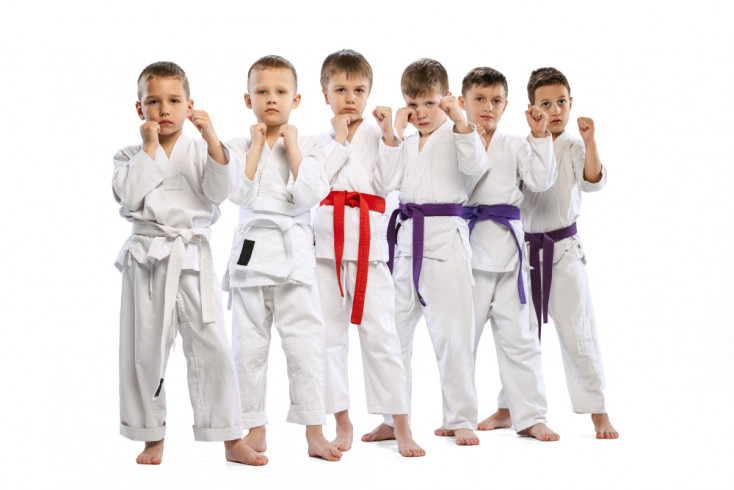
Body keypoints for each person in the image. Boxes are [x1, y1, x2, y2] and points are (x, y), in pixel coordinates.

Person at [113, 61, 267, 466]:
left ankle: (230, 437)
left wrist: (212, 136)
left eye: (174, 101)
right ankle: (151, 435)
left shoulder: (202, 149)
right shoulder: (129, 153)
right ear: (139, 108)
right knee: (145, 349)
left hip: (193, 258)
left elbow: (223, 191)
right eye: (153, 102)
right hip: (146, 261)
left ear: (189, 104)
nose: (164, 110)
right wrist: (148, 149)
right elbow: (128, 197)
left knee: (213, 348)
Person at [363, 58, 488, 446]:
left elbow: (476, 166)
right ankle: (391, 417)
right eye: (412, 104)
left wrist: (461, 120)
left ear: (446, 101)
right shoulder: (405, 141)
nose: (420, 113)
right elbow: (384, 184)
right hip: (403, 245)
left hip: (444, 245)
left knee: (452, 336)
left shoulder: (459, 133)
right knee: (392, 336)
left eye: (429, 104)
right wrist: (391, 131)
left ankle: (461, 417)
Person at [223, 55, 342, 461]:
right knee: (247, 346)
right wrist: (258, 145)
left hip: (293, 256)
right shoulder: (238, 145)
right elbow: (238, 194)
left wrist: (290, 145)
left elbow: (310, 194)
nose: (270, 99)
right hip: (251, 253)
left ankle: (314, 430)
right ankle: (253, 429)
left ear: (296, 98)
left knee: (306, 344)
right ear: (247, 98)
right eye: (261, 91)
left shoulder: (309, 145)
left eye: (280, 92)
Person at [313, 49, 424, 457]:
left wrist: (391, 136)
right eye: (340, 89)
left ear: (370, 91)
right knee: (328, 337)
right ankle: (341, 420)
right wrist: (339, 140)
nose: (350, 97)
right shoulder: (317, 142)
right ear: (324, 94)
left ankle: (400, 424)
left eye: (358, 89)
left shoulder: (381, 137)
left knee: (382, 336)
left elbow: (389, 183)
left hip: (370, 247)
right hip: (326, 246)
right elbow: (314, 184)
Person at [453, 66, 559, 441]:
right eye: (479, 99)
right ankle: (458, 418)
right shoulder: (453, 139)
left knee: (521, 338)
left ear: (506, 105)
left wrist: (540, 134)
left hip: (510, 253)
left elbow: (541, 182)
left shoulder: (516, 144)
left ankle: (530, 415)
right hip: (466, 249)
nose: (487, 106)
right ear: (463, 101)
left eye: (496, 100)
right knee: (460, 338)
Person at [511, 66, 618, 439]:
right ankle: (510, 406)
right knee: (518, 334)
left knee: (578, 330)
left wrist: (590, 141)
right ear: (531, 108)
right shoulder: (522, 145)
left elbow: (592, 181)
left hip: (564, 250)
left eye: (561, 102)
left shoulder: (573, 146)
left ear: (571, 104)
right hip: (523, 251)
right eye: (545, 103)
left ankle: (597, 411)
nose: (554, 110)